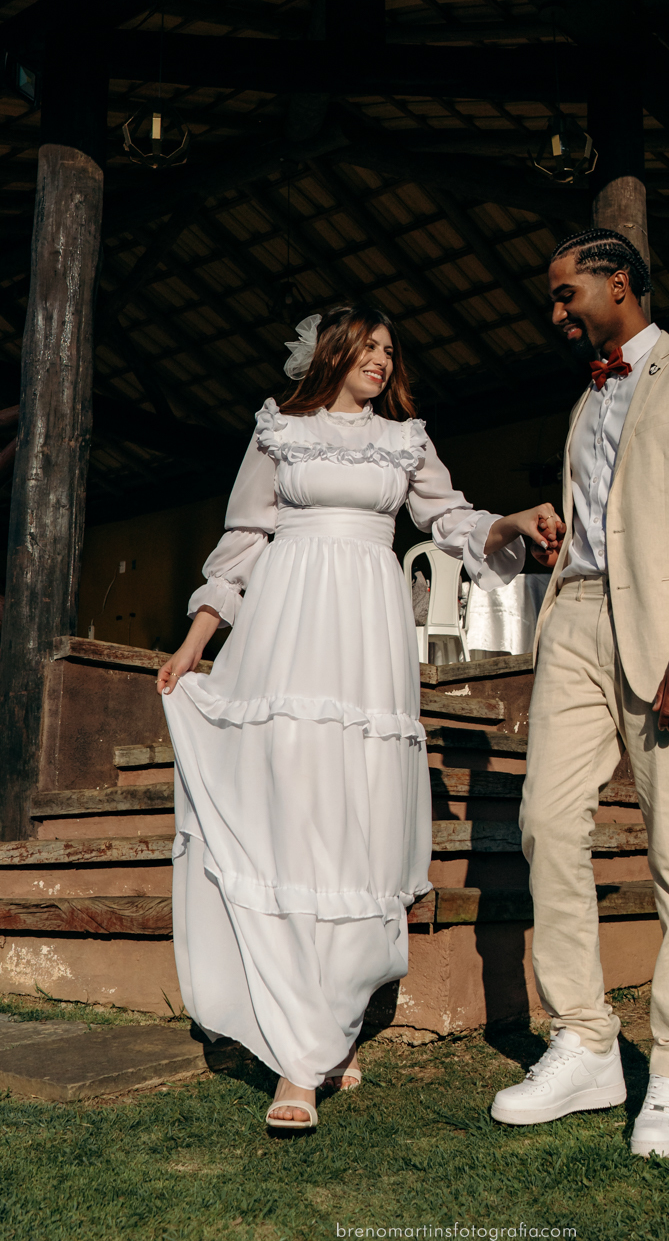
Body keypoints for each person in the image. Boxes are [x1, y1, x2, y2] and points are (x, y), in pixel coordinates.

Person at [157, 303, 561, 1134]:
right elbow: (243, 540)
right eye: (367, 347)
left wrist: (507, 522)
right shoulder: (278, 433)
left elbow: (446, 518)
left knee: (352, 825)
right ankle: (300, 1061)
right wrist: (196, 640)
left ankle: (328, 1028)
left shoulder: (403, 439)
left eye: (389, 349)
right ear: (333, 353)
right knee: (290, 811)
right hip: (285, 629)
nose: (381, 360)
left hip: (365, 638)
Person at [490, 228, 669, 1159]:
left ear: (619, 282)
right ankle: (586, 1041)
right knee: (545, 822)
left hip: (666, 638)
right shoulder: (586, 398)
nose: (556, 313)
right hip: (574, 621)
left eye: (567, 295)